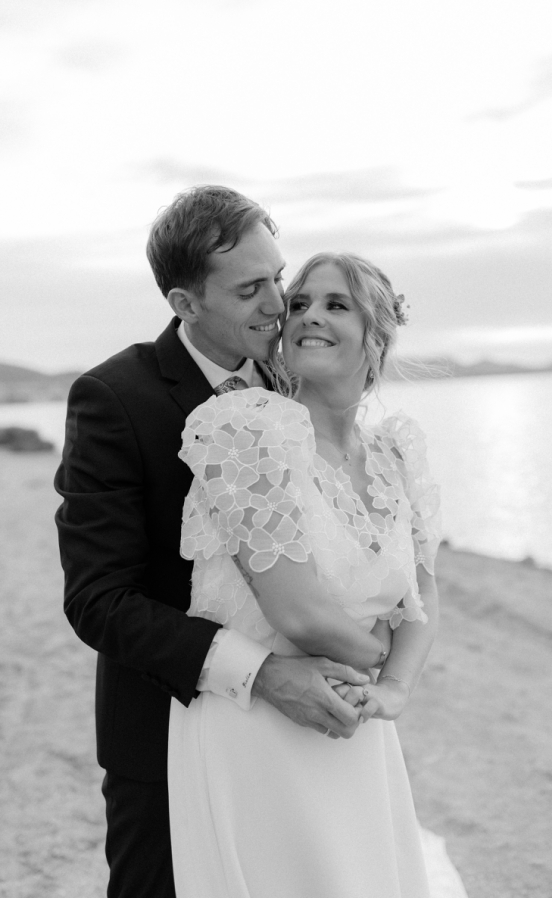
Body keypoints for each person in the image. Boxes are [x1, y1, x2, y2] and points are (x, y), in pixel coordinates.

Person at [55, 186, 371, 897]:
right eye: (250, 288)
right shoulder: (114, 398)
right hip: (169, 729)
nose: (278, 304)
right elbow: (97, 599)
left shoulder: (302, 381)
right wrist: (260, 673)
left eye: (279, 278)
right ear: (184, 303)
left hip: (307, 734)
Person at [167, 251, 442, 896]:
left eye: (335, 304)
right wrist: (380, 657)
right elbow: (296, 611)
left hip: (358, 728)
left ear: (376, 335)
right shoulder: (246, 429)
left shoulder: (396, 452)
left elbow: (425, 596)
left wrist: (394, 692)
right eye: (300, 304)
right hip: (259, 724)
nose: (308, 316)